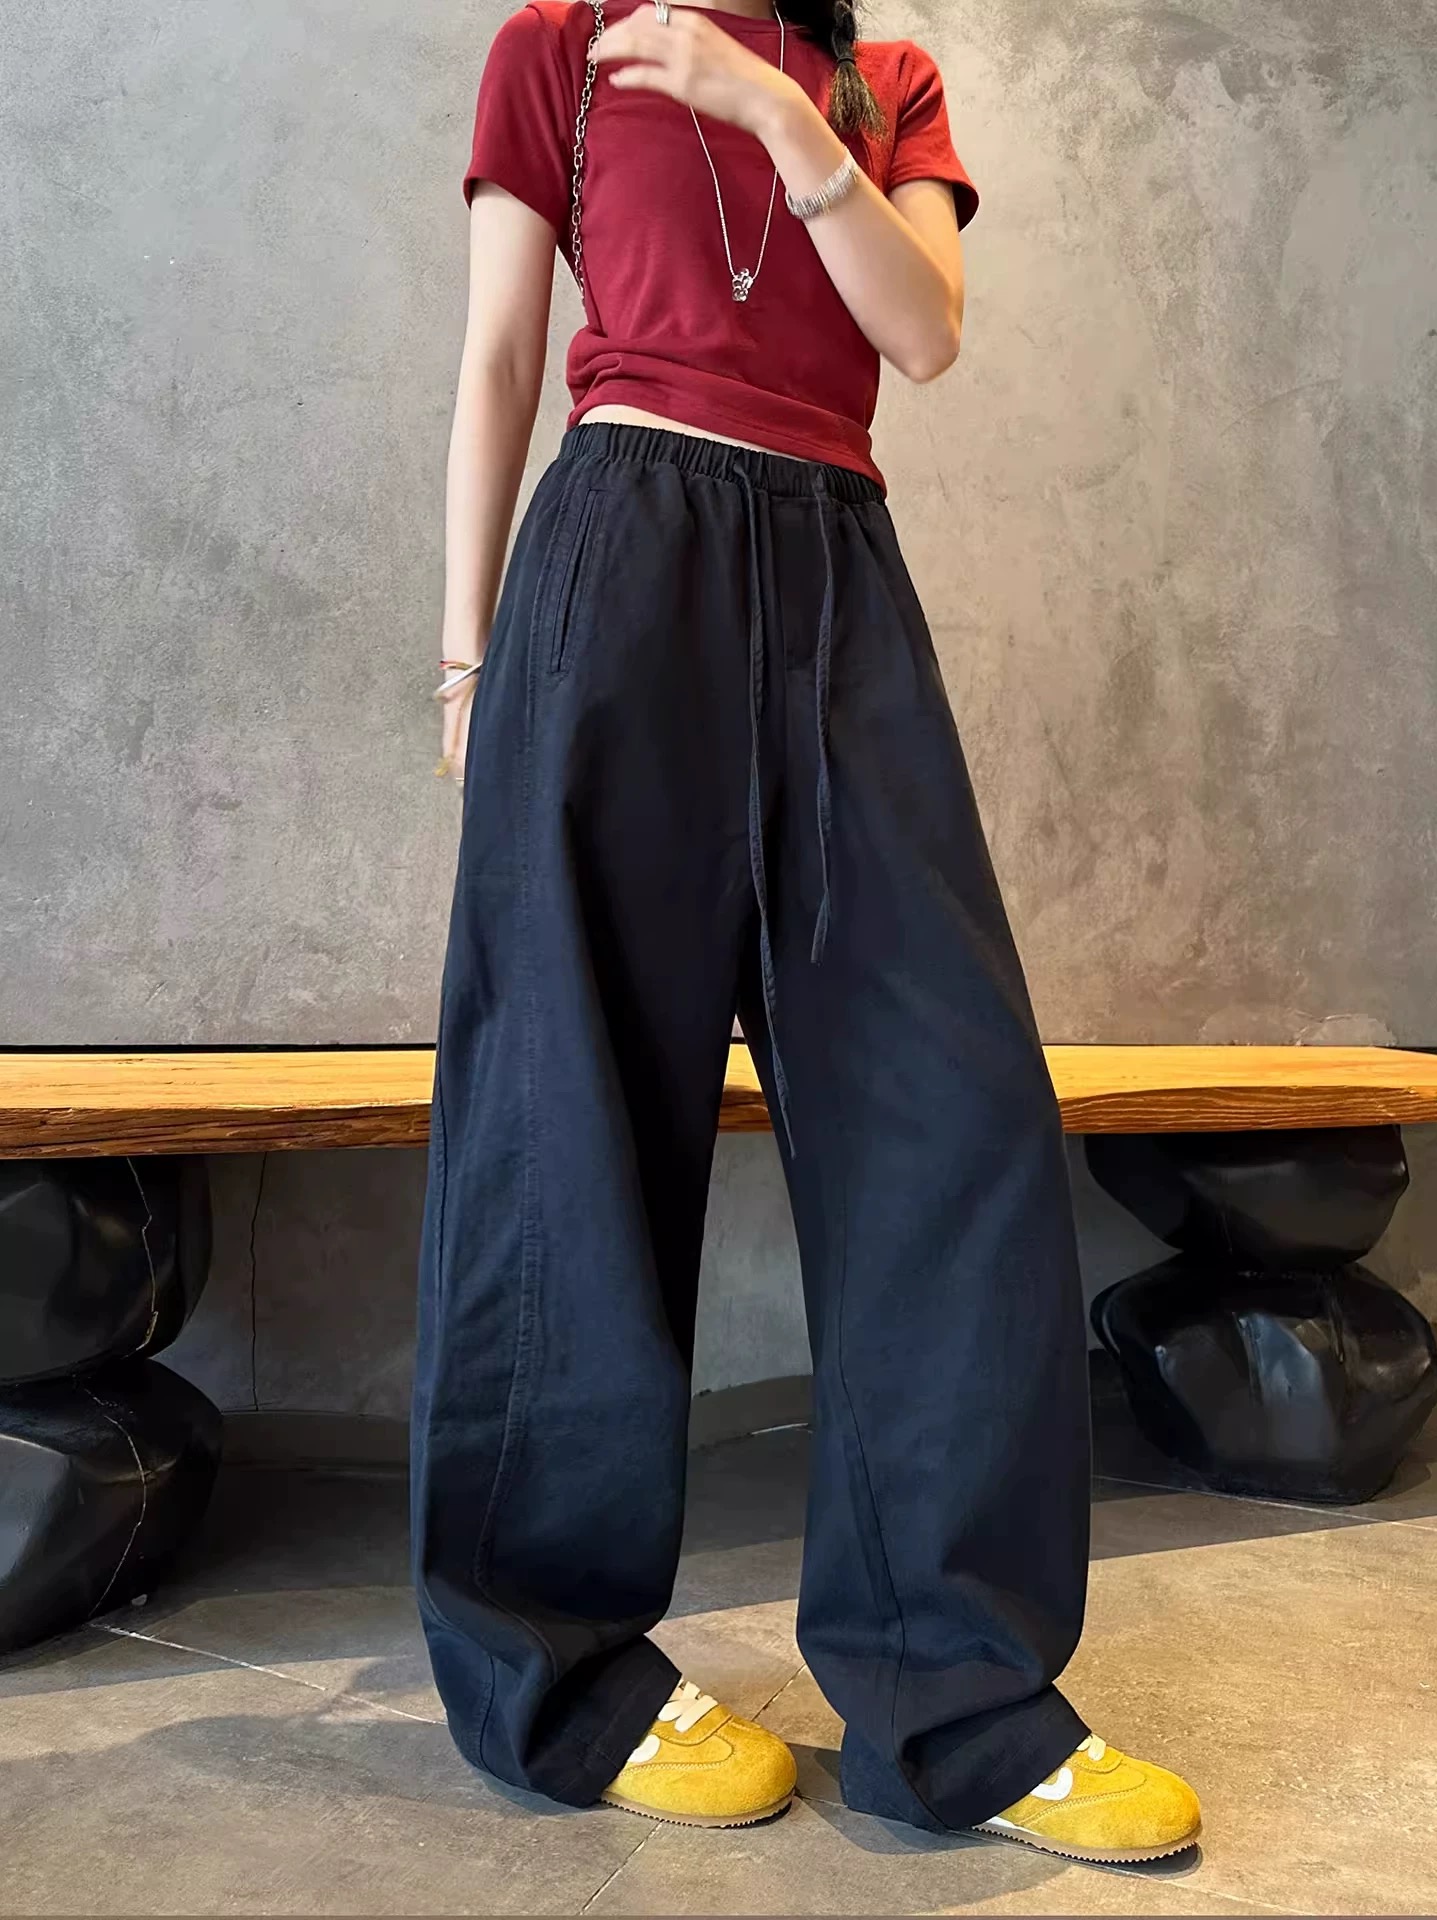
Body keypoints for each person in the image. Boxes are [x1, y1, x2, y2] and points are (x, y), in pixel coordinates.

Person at [411, 0, 1201, 1867]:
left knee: (953, 1118)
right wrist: (466, 658)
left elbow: (922, 334)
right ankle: (557, 1677)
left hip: (842, 580)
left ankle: (963, 1703)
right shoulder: (559, 47)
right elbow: (502, 352)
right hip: (622, 566)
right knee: (570, 1119)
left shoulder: (882, 79)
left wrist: (784, 116)